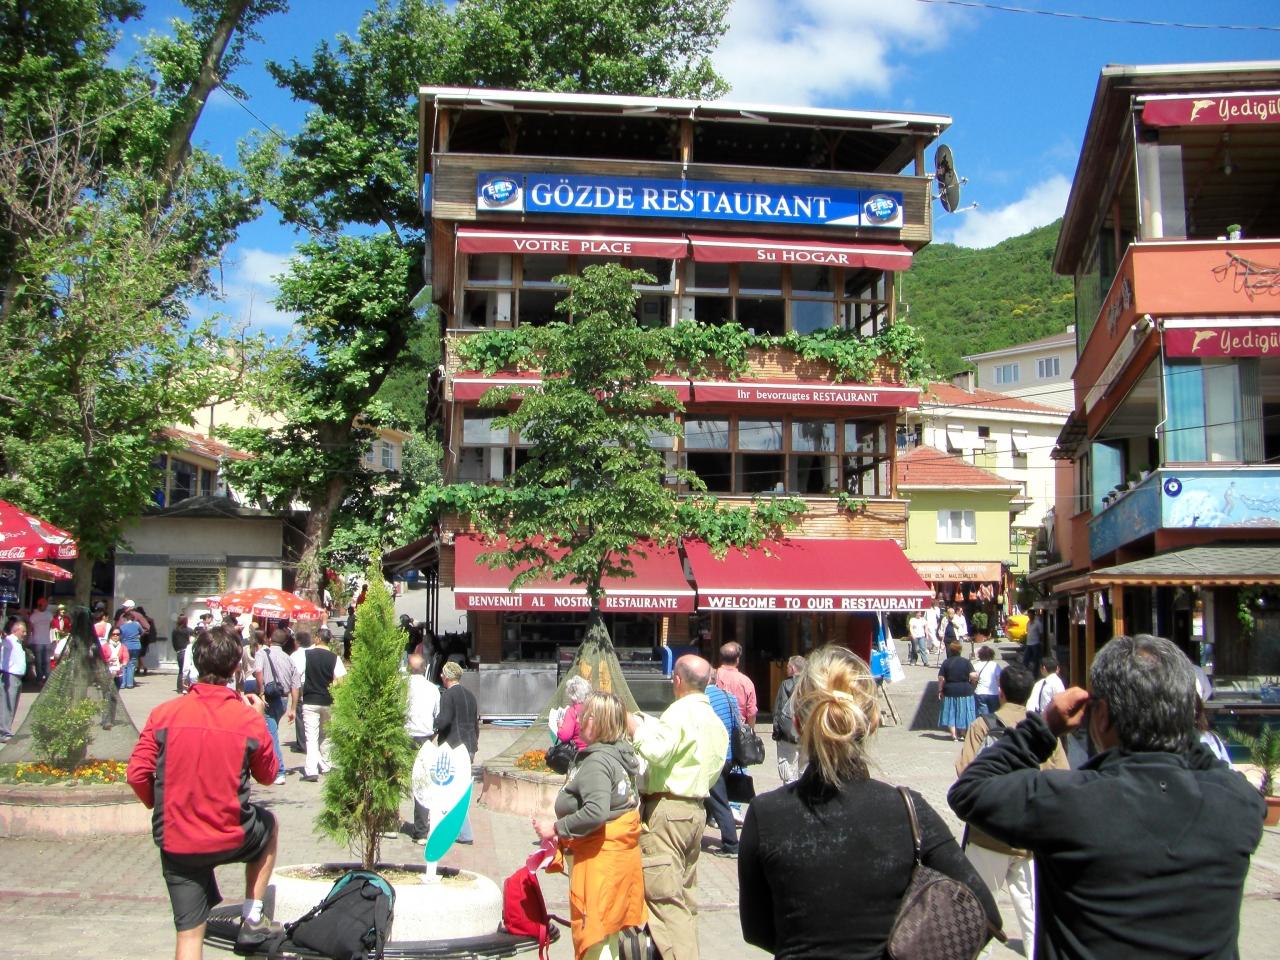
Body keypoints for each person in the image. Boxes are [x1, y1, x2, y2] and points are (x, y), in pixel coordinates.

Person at [950, 633, 1265, 960]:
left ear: (1101, 716)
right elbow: (1212, 766)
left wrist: (1044, 728)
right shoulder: (1238, 804)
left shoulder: (1069, 802)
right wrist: (1177, 722)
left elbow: (970, 789)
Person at [739, 645, 1001, 958]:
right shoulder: (908, 810)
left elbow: (755, 928)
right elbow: (983, 911)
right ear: (874, 721)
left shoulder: (765, 813)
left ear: (796, 724)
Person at [127, 627, 283, 959]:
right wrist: (259, 720)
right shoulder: (246, 719)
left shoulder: (163, 714)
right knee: (269, 825)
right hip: (232, 833)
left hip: (178, 836)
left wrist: (160, 804)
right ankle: (253, 916)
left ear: (196, 663)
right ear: (236, 668)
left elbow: (137, 773)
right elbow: (268, 776)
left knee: (188, 935)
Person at [954, 664, 1066, 960]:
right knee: (1032, 910)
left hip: (987, 833)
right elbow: (1062, 776)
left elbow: (964, 771)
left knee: (979, 906)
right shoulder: (1043, 731)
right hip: (1030, 835)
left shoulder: (983, 725)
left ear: (1000, 691)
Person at [624, 655, 727, 960]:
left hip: (667, 809)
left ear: (677, 680)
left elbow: (657, 751)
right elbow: (715, 767)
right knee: (684, 897)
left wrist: (634, 727)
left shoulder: (678, 712)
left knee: (665, 899)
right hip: (695, 810)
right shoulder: (714, 721)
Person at [533, 691, 646, 960]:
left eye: (586, 715)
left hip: (599, 861)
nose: (580, 719)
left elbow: (596, 812)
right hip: (617, 858)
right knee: (609, 934)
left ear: (599, 722)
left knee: (595, 936)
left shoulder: (597, 762)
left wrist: (556, 829)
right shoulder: (619, 754)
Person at [435, 661, 479, 844]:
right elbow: (475, 725)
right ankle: (459, 830)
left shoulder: (448, 695)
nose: (440, 677)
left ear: (446, 677)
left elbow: (444, 721)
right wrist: (474, 745)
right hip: (469, 747)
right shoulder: (470, 695)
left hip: (453, 747)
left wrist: (434, 724)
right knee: (461, 789)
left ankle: (463, 833)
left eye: (442, 674)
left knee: (452, 790)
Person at [253, 628, 300, 786]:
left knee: (271, 734)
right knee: (271, 731)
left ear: (269, 639)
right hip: (283, 699)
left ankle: (279, 771)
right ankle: (269, 765)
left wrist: (261, 692)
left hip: (269, 698)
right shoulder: (288, 658)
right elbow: (295, 685)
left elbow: (258, 671)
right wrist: (293, 708)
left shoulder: (262, 653)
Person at [299, 629, 345, 783]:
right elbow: (341, 680)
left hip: (310, 700)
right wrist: (330, 688)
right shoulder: (334, 658)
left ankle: (311, 770)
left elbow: (297, 673)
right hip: (327, 701)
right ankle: (327, 765)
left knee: (311, 737)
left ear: (318, 639)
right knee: (326, 736)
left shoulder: (307, 655)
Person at [405, 653, 441, 843]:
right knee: (422, 783)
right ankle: (420, 832)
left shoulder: (401, 687)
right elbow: (438, 715)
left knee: (395, 779)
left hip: (403, 737)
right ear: (425, 668)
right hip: (425, 739)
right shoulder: (432, 689)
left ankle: (391, 824)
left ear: (408, 668)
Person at [703, 671, 739, 858]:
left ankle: (731, 844)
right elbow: (737, 725)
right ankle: (695, 833)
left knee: (718, 801)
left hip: (713, 756)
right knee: (709, 797)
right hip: (729, 756)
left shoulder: (703, 698)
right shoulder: (730, 696)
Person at [772, 655, 805, 784]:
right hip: (807, 735)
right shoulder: (812, 684)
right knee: (805, 771)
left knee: (789, 772)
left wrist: (777, 731)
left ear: (792, 668)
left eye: (787, 667)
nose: (786, 669)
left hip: (788, 734)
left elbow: (779, 709)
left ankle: (790, 794)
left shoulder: (786, 684)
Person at [938, 640, 976, 741]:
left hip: (950, 690)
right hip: (965, 690)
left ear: (950, 650)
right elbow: (973, 675)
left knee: (950, 712)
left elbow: (941, 678)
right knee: (963, 711)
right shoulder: (966, 662)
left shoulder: (946, 662)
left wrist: (940, 690)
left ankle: (954, 735)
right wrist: (974, 681)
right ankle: (963, 734)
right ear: (960, 650)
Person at [714, 642, 757, 725]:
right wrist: (751, 730)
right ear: (737, 659)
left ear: (721, 658)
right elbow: (751, 712)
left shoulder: (711, 677)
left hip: (715, 726)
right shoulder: (746, 681)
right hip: (737, 727)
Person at [0, 620, 27, 742]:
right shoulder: (9, 640)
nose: (25, 634)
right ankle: (3, 732)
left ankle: (7, 730)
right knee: (7, 705)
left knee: (13, 705)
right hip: (10, 676)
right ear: (16, 630)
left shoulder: (18, 643)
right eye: (23, 631)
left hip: (18, 678)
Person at [115, 601, 150, 689]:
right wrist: (138, 635)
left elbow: (146, 628)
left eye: (126, 607)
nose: (124, 608)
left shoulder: (134, 617)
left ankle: (123, 683)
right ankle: (129, 683)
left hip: (125, 644)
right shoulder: (132, 621)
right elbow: (145, 629)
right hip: (134, 645)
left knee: (125, 664)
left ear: (131, 607)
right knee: (130, 664)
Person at [289, 630, 312, 753]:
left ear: (298, 642)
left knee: (300, 713)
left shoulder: (295, 655)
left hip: (301, 685)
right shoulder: (313, 651)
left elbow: (296, 674)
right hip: (313, 683)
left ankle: (302, 744)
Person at [556, 675, 592, 751]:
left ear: (571, 695)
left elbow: (565, 736)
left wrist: (560, 727)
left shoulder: (572, 711)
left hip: (579, 751)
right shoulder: (594, 707)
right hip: (596, 749)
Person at [971, 645, 1002, 717]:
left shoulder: (976, 665)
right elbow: (999, 680)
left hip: (980, 692)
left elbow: (973, 680)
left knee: (983, 716)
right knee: (994, 715)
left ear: (980, 655)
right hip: (994, 693)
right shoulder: (995, 665)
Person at [27, 595, 53, 683]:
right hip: (37, 641)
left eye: (46, 605)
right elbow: (30, 628)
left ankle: (47, 678)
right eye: (44, 605)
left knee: (47, 661)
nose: (45, 607)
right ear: (39, 605)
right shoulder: (34, 616)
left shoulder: (49, 614)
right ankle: (39, 678)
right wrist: (28, 639)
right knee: (38, 661)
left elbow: (51, 626)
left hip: (47, 641)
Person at [172, 615, 193, 695]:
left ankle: (179, 688)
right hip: (187, 651)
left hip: (179, 652)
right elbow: (192, 641)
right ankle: (187, 686)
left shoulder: (175, 630)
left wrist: (177, 650)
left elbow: (174, 642)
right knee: (188, 669)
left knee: (181, 670)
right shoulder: (189, 630)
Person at [1022, 609, 1044, 674]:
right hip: (1028, 644)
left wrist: (1041, 642)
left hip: (1035, 644)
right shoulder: (1028, 623)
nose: (1029, 616)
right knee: (1025, 659)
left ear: (1033, 615)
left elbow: (1041, 633)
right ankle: (1024, 672)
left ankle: (1035, 674)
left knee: (1036, 660)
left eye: (1030, 614)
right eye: (1028, 615)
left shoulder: (1037, 623)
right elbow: (1028, 632)